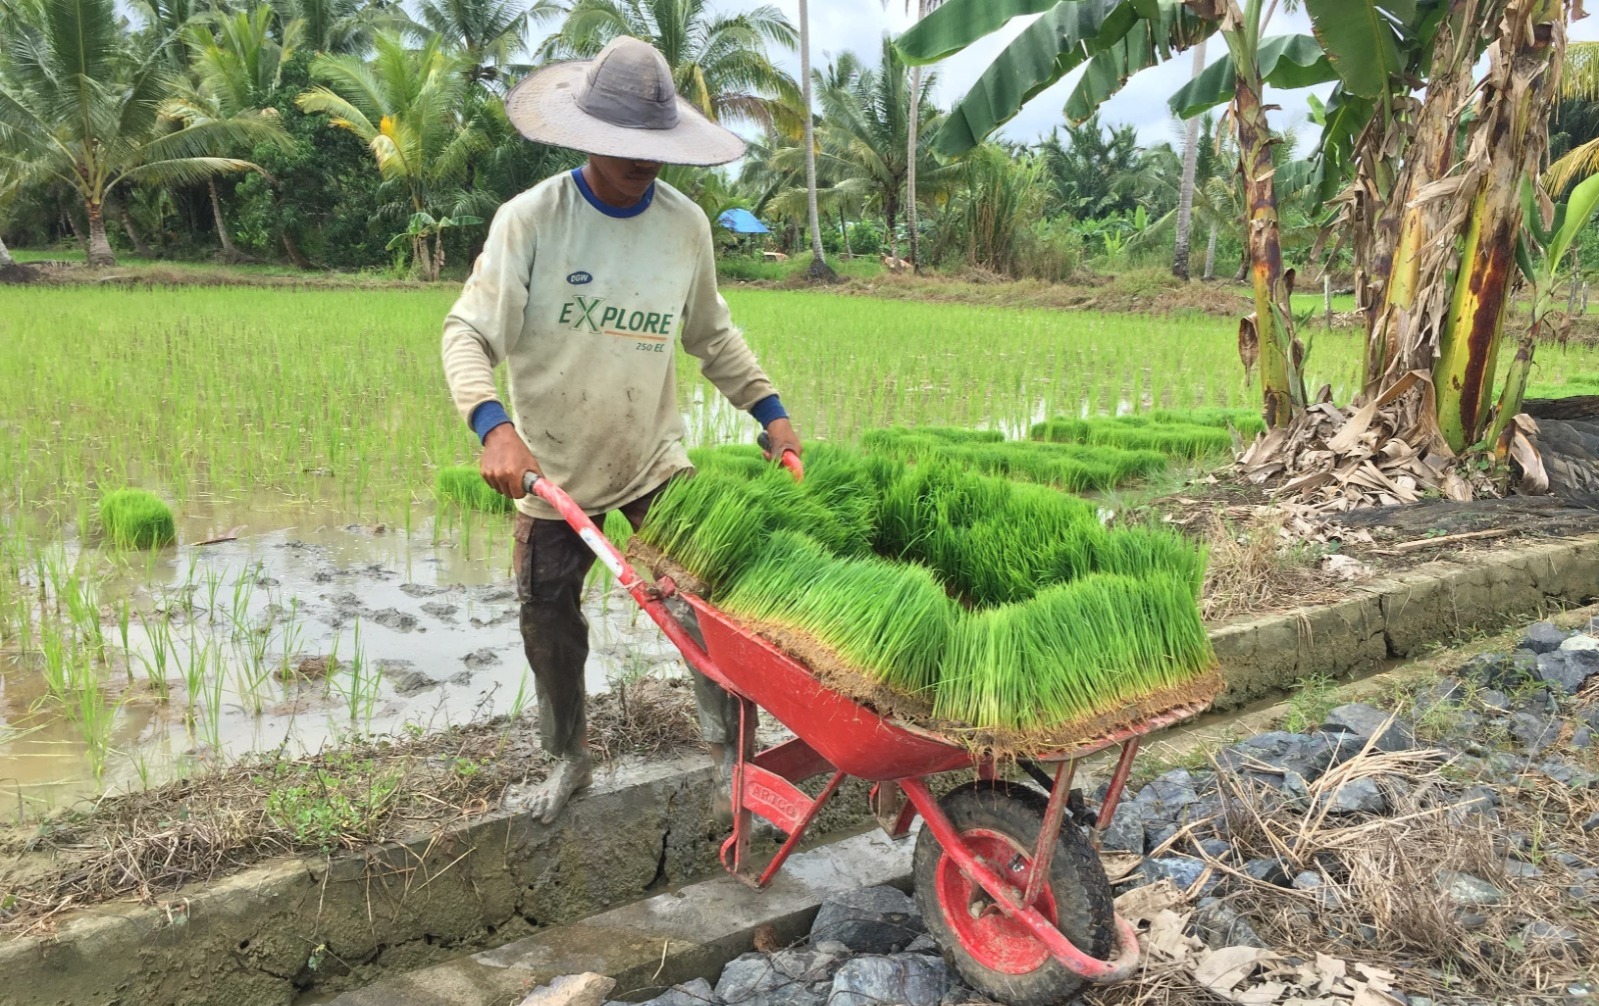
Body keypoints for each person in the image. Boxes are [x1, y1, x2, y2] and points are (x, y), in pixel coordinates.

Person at [441, 35, 801, 824]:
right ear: (586, 137)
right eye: (623, 146)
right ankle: (566, 759)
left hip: (652, 460)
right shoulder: (530, 220)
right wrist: (492, 427)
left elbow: (712, 335)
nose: (643, 161)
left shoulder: (684, 226)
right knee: (549, 624)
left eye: (653, 146)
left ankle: (728, 756)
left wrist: (772, 415)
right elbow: (466, 333)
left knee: (706, 609)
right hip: (553, 471)